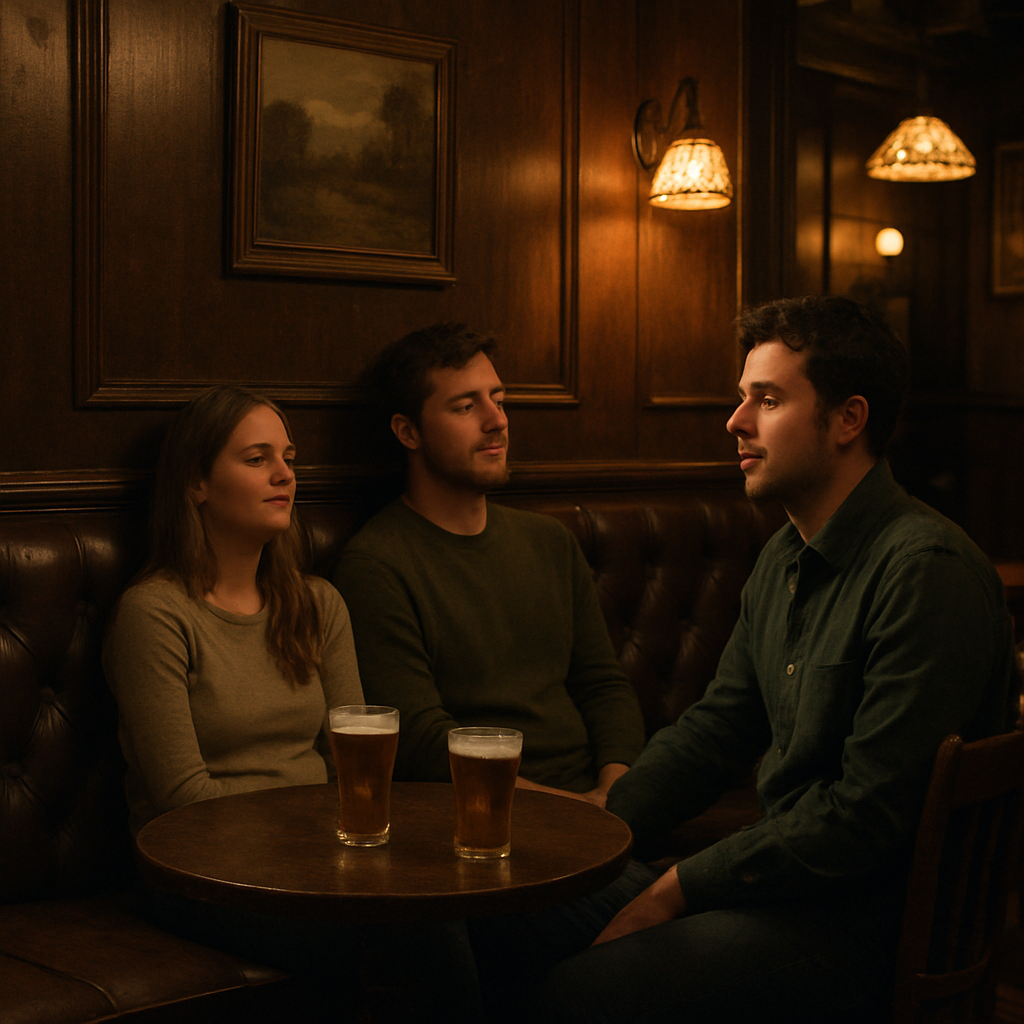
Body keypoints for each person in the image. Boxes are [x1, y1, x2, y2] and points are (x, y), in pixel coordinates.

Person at [531, 296, 1019, 1023]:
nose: (736, 422)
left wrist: (677, 888)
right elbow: (718, 728)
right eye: (742, 399)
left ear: (848, 419)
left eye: (767, 399)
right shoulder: (784, 556)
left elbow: (866, 818)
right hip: (784, 889)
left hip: (871, 926)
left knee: (577, 993)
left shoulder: (926, 570)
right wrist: (597, 828)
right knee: (504, 923)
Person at [103, 385, 477, 1021]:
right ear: (196, 483)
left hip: (316, 857)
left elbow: (353, 765)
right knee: (411, 937)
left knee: (447, 911)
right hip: (200, 874)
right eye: (256, 459)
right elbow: (182, 802)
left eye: (289, 457)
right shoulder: (156, 614)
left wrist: (338, 850)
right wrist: (314, 842)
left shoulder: (317, 603)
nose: (284, 475)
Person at [333, 323, 645, 807]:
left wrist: (613, 791)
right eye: (465, 406)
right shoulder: (377, 565)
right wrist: (569, 812)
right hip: (487, 815)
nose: (496, 420)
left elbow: (604, 686)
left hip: (604, 805)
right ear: (408, 431)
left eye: (497, 399)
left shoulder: (549, 542)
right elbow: (420, 740)